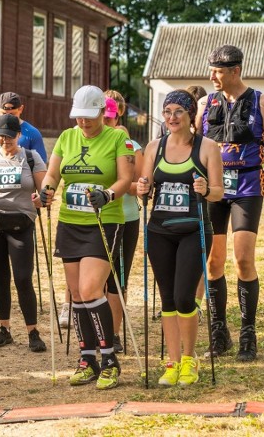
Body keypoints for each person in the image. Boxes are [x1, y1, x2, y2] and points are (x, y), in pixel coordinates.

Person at [196, 45, 264, 361]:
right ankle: (219, 334)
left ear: (236, 70)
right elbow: (192, 146)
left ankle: (248, 335)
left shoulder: (262, 102)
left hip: (248, 186)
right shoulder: (205, 103)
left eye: (218, 71)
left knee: (243, 260)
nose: (213, 77)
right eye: (212, 70)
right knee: (213, 263)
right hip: (214, 190)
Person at [39, 85, 134, 390]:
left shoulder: (118, 137)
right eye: (78, 117)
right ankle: (86, 359)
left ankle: (109, 359)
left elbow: (125, 179)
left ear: (101, 112)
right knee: (77, 294)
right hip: (70, 221)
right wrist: (47, 191)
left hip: (103, 220)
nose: (83, 122)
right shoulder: (67, 137)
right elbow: (53, 173)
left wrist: (107, 194)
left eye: (88, 116)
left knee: (91, 287)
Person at [137, 90, 224, 385]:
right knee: (167, 299)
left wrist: (205, 190)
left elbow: (219, 192)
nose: (171, 117)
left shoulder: (208, 147)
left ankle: (190, 359)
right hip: (159, 230)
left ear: (190, 116)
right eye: (167, 111)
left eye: (178, 112)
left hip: (193, 229)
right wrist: (141, 189)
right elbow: (145, 186)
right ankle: (172, 362)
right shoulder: (154, 147)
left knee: (185, 297)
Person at [0, 113, 48, 352]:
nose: (5, 141)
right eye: (1, 136)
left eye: (10, 136)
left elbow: (44, 190)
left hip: (21, 222)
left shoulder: (31, 157)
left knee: (22, 278)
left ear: (18, 136)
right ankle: (4, 328)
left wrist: (41, 199)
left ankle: (32, 331)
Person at [102, 93, 143, 353]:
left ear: (118, 115)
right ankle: (99, 330)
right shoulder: (86, 142)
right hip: (92, 219)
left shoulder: (132, 145)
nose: (104, 122)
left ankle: (113, 333)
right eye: (101, 116)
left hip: (125, 218)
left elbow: (135, 186)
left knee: (117, 279)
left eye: (109, 117)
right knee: (98, 280)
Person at [0, 91, 48, 162]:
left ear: (21, 109)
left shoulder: (32, 133)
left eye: (12, 114)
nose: (7, 117)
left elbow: (41, 165)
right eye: (3, 113)